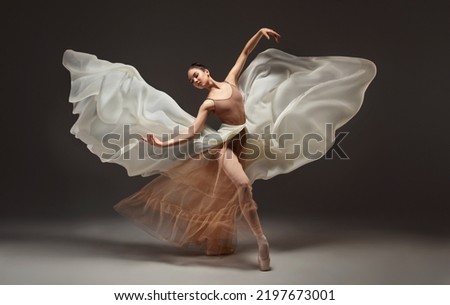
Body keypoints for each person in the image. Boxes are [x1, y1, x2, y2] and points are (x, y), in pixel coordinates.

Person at [62, 27, 376, 272]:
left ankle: (255, 236)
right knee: (241, 186)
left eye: (196, 75)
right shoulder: (208, 103)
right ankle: (262, 242)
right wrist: (163, 143)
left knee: (252, 175)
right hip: (224, 147)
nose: (195, 81)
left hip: (250, 141)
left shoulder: (230, 82)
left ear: (206, 71)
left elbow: (244, 52)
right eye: (191, 81)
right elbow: (193, 133)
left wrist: (260, 33)